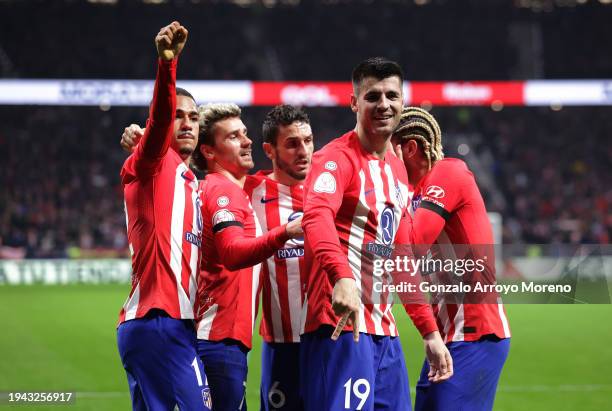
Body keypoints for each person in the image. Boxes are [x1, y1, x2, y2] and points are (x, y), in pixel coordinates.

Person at [300, 57, 453, 411]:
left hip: (385, 333)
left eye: (391, 95)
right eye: (372, 96)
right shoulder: (335, 160)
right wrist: (342, 277)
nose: (383, 104)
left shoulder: (397, 170)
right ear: (355, 103)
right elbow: (316, 216)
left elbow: (401, 258)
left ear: (403, 101)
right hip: (339, 328)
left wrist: (430, 333)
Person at [117, 21, 211, 411]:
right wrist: (167, 65)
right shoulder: (153, 161)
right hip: (159, 320)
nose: (187, 122)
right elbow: (156, 126)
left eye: (194, 117)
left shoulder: (191, 181)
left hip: (171, 325)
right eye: (179, 115)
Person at [392, 106, 511, 411]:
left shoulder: (448, 172)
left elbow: (411, 246)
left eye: (387, 148)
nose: (383, 158)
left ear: (410, 148)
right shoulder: (412, 192)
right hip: (447, 334)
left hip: (475, 333)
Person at [191, 103, 303, 411]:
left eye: (244, 133)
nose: (246, 140)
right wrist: (285, 232)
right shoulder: (222, 192)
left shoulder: (231, 189)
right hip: (218, 339)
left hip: (222, 340)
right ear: (210, 152)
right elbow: (231, 252)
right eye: (232, 136)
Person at [247, 105, 313, 411]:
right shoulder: (249, 193)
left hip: (330, 342)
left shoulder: (331, 188)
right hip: (281, 344)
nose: (304, 151)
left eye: (308, 141)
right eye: (292, 143)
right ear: (269, 150)